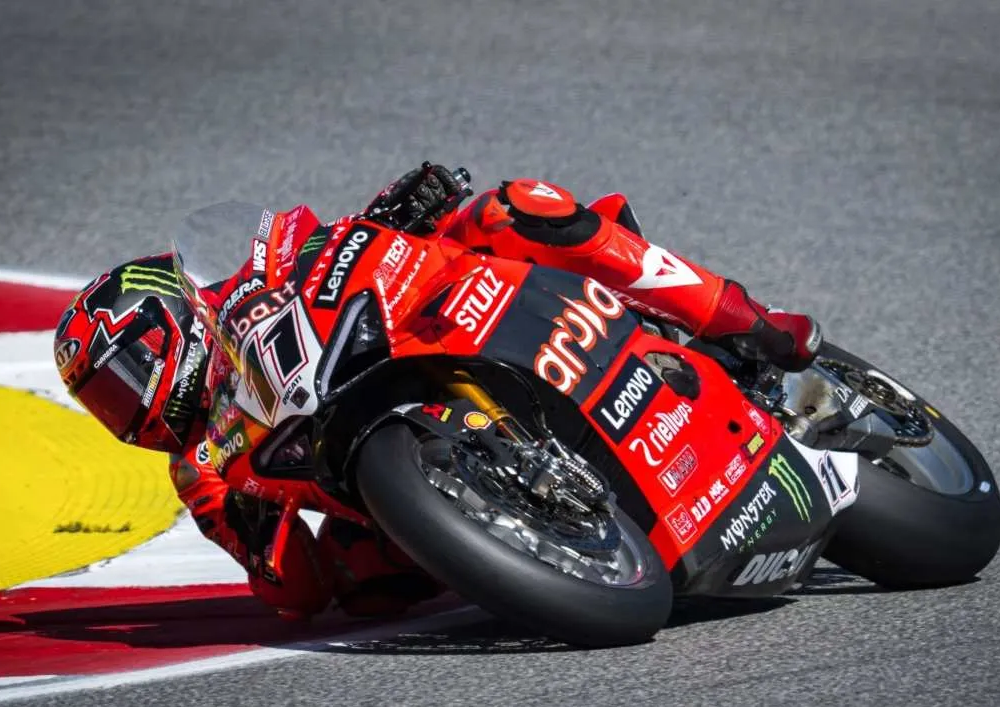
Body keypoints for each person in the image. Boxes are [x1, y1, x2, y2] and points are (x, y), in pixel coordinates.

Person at [52, 164, 821, 621]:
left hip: (416, 330)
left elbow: (327, 243)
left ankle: (742, 320)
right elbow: (298, 595)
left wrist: (402, 204)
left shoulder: (245, 297)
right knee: (366, 585)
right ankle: (542, 536)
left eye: (126, 376)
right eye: (106, 401)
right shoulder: (202, 468)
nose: (128, 405)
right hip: (402, 492)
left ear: (173, 320)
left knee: (518, 206)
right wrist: (237, 519)